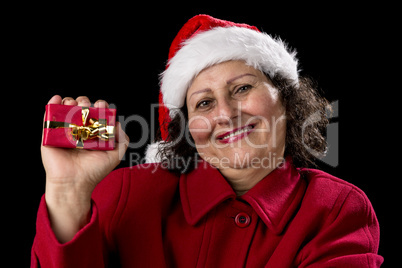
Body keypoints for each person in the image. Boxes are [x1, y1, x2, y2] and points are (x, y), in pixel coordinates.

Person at [31, 15, 383, 267]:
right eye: (204, 103)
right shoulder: (125, 192)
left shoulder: (337, 209)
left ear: (287, 99)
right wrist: (67, 190)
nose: (226, 114)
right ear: (187, 128)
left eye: (243, 88)